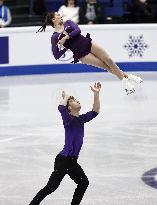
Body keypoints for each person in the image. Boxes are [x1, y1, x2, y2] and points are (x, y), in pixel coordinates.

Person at [29, 82, 101, 205]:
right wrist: (67, 96)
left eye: (76, 100)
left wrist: (96, 94)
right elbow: (61, 108)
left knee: (83, 183)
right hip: (63, 160)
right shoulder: (68, 119)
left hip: (72, 161)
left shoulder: (81, 119)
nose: (76, 101)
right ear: (69, 108)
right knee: (50, 188)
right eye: (73, 101)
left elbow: (95, 111)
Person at [36, 12, 143, 95]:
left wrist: (66, 37)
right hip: (82, 54)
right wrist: (64, 47)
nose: (61, 15)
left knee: (109, 60)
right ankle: (126, 82)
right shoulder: (54, 37)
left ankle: (128, 77)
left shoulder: (68, 22)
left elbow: (77, 30)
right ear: (54, 19)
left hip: (88, 43)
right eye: (58, 15)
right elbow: (56, 55)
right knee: (105, 66)